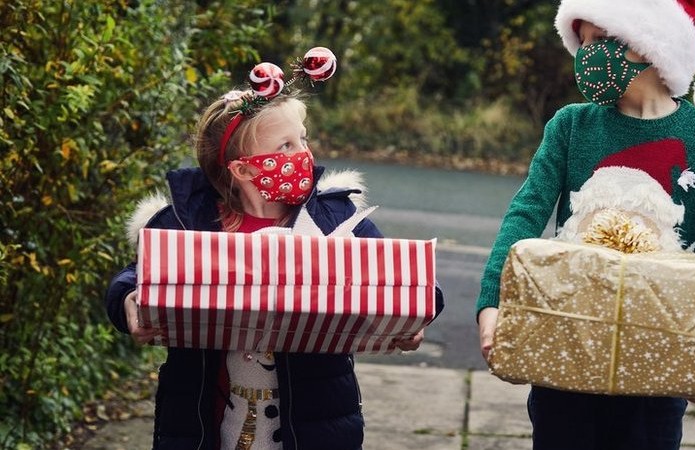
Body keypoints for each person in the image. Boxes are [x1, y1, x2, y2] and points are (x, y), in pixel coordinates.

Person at [105, 58, 444, 450]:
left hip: (316, 426)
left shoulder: (333, 216)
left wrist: (416, 313)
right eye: (286, 146)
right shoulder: (189, 221)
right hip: (205, 426)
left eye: (303, 138)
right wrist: (129, 301)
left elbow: (405, 279)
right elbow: (134, 278)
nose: (304, 154)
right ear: (243, 170)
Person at [476, 0, 695, 448]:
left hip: (661, 356)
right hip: (565, 346)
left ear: (653, 45)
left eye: (603, 40)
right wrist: (494, 300)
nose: (588, 54)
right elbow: (526, 212)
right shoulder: (571, 126)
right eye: (583, 42)